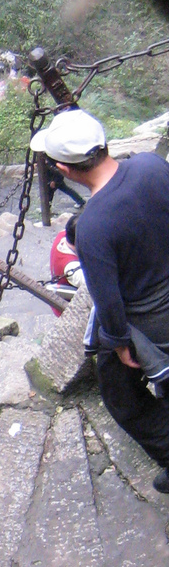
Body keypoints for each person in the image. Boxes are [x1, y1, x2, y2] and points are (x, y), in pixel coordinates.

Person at [30, 109, 169, 491]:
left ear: (65, 168)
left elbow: (107, 300)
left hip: (152, 319)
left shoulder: (93, 225)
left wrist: (121, 344)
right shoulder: (151, 165)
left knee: (120, 393)